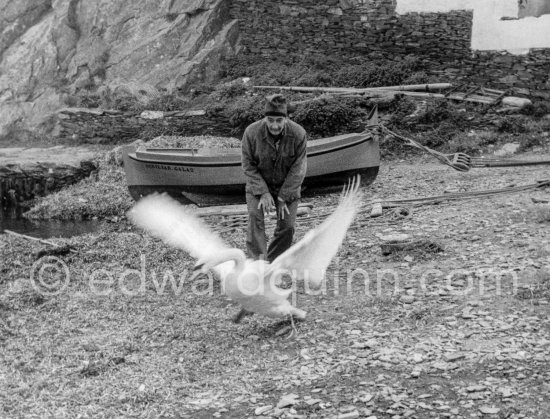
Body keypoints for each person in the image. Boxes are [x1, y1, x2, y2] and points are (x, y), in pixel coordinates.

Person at [241, 94, 307, 263]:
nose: (275, 125)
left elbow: (298, 169)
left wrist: (284, 196)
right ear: (265, 118)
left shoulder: (299, 134)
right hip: (258, 186)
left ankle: (273, 261)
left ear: (286, 118)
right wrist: (263, 192)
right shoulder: (251, 132)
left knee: (287, 227)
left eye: (279, 121)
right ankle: (258, 264)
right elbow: (248, 165)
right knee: (255, 219)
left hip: (287, 187)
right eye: (270, 120)